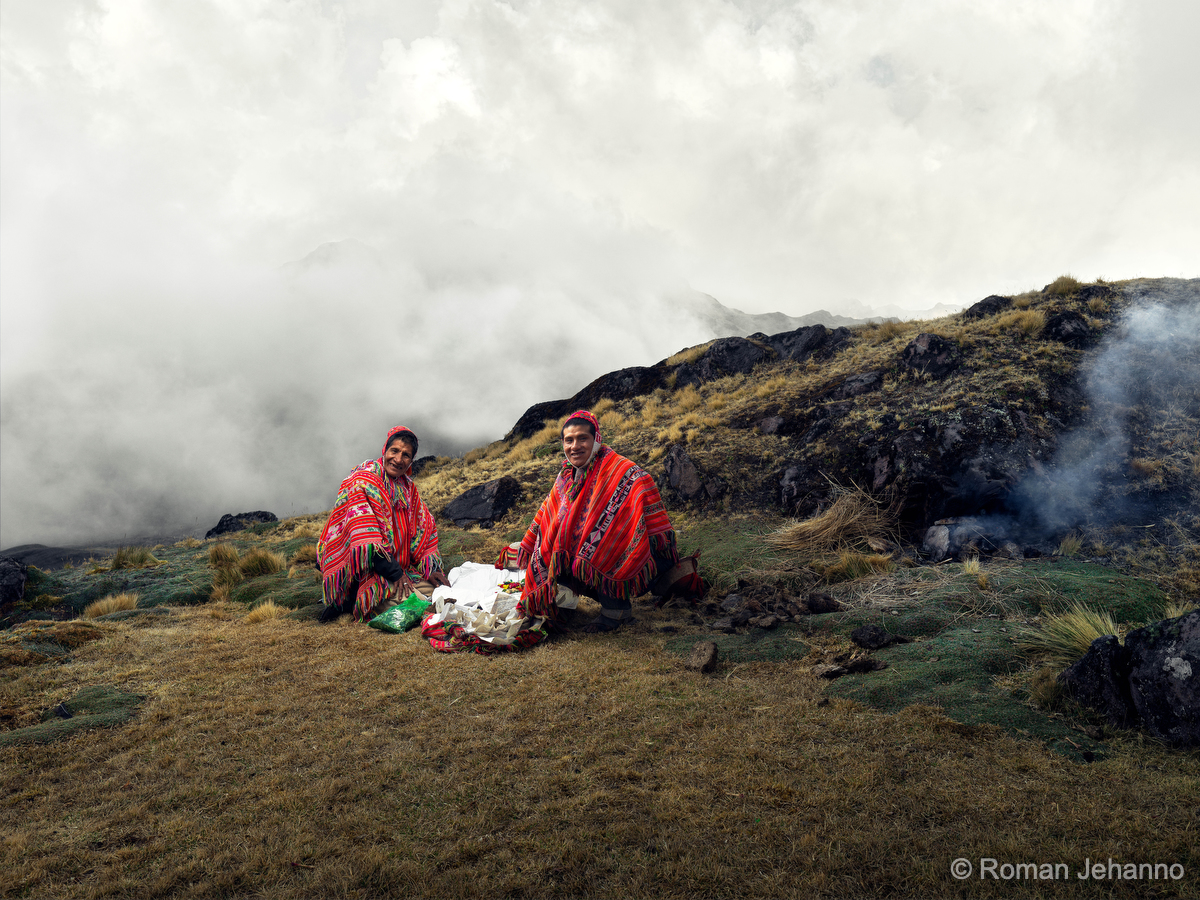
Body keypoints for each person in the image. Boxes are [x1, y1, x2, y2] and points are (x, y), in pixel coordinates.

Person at [515, 409, 702, 633]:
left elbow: (635, 511)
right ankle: (562, 607)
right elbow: (548, 518)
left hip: (640, 557)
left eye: (583, 438)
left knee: (599, 543)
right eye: (569, 440)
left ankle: (617, 614)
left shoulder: (621, 471)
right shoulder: (567, 476)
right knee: (556, 548)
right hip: (606, 554)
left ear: (596, 441)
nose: (575, 446)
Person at [317, 426, 448, 623]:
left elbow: (423, 530)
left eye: (406, 455)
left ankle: (397, 591)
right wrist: (396, 575)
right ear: (384, 451)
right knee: (422, 604)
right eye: (394, 451)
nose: (398, 459)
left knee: (439, 593)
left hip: (398, 569)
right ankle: (350, 599)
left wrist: (430, 570)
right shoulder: (363, 482)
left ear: (411, 461)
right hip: (368, 571)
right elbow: (366, 542)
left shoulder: (408, 488)